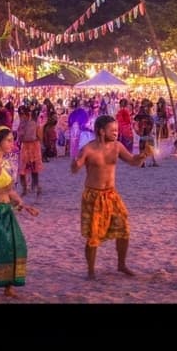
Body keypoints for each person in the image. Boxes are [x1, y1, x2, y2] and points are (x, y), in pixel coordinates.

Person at [71, 114, 146, 280]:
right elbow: (75, 168)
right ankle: (90, 270)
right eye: (112, 130)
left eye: (117, 130)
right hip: (93, 196)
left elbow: (133, 161)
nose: (116, 133)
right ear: (101, 131)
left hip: (111, 194)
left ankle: (121, 264)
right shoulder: (88, 149)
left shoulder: (117, 146)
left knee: (124, 229)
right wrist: (75, 163)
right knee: (93, 235)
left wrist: (141, 157)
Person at [0, 126, 40, 300]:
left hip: (6, 210)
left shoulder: (6, 161)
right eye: (9, 140)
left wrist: (21, 203)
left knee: (15, 246)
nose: (12, 143)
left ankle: (8, 287)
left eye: (12, 140)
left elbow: (9, 189)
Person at [17, 105, 44, 197]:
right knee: (22, 169)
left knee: (34, 169)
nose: (21, 116)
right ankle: (25, 188)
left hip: (33, 147)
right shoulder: (21, 123)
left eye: (22, 114)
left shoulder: (34, 122)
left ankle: (36, 187)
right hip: (25, 147)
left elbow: (39, 135)